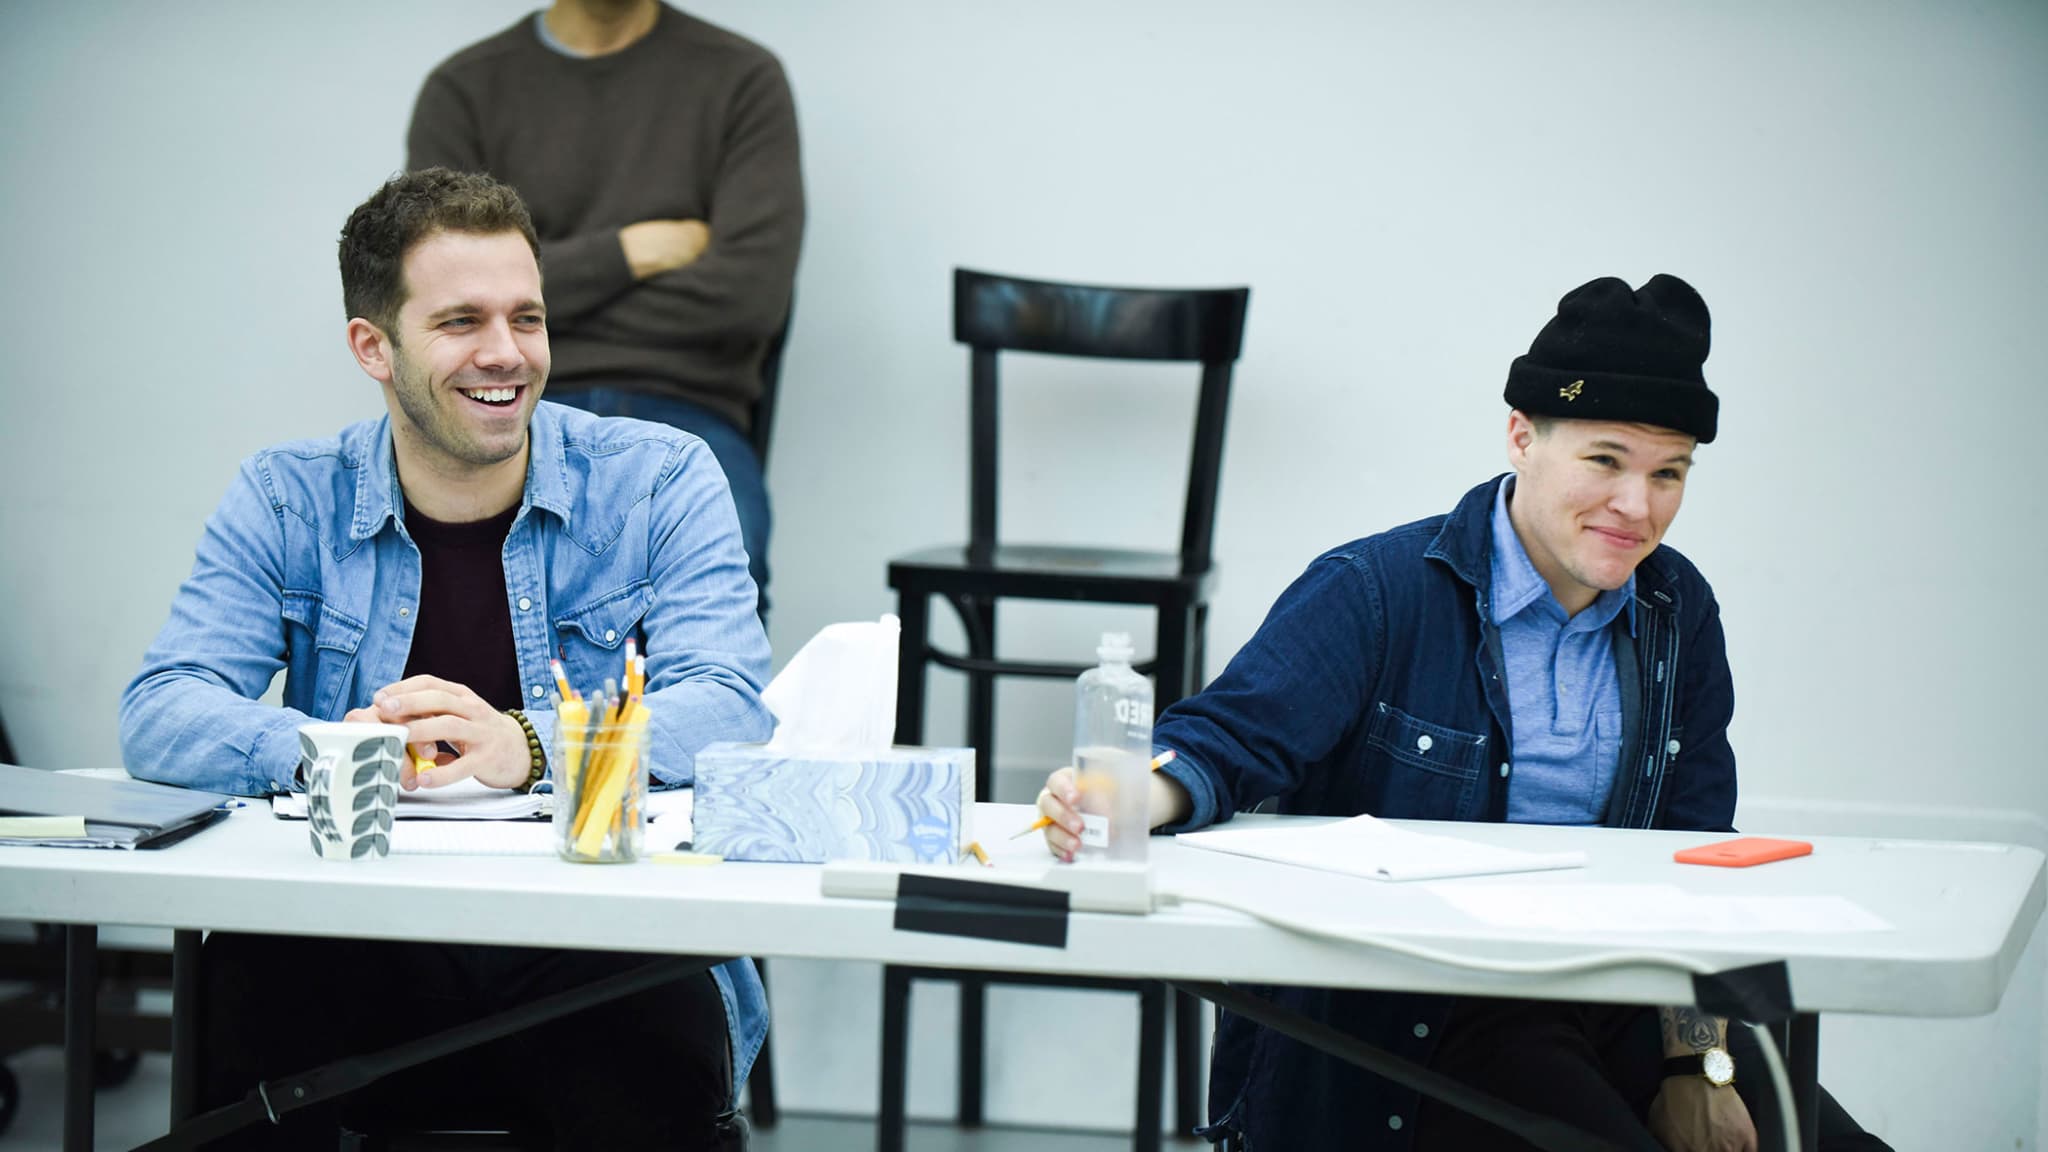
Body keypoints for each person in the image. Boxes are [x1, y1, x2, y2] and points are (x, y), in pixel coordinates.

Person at [1034, 275, 1890, 1151]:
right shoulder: (1378, 590)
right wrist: (1138, 796)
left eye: (1668, 473)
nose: (1639, 507)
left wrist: (1695, 1067)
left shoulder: (1677, 609)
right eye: (1605, 461)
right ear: (1523, 437)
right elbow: (1228, 740)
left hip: (1624, 997)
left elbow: (1690, 853)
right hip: (1443, 1009)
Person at [119, 168, 770, 1150]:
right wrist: (321, 745)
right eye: (461, 321)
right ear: (371, 347)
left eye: (527, 318)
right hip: (356, 933)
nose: (505, 355)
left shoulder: (659, 477)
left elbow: (728, 705)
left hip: (591, 936)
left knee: (649, 1016)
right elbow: (161, 707)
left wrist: (526, 744)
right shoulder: (288, 495)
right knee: (248, 981)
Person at [407, 0, 804, 617]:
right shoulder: (466, 89)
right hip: (506, 396)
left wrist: (523, 306)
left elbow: (746, 300)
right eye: (526, 309)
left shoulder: (741, 79)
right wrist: (631, 253)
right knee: (447, 578)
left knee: (725, 571)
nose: (528, 314)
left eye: (530, 311)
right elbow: (439, 287)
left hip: (685, 408)